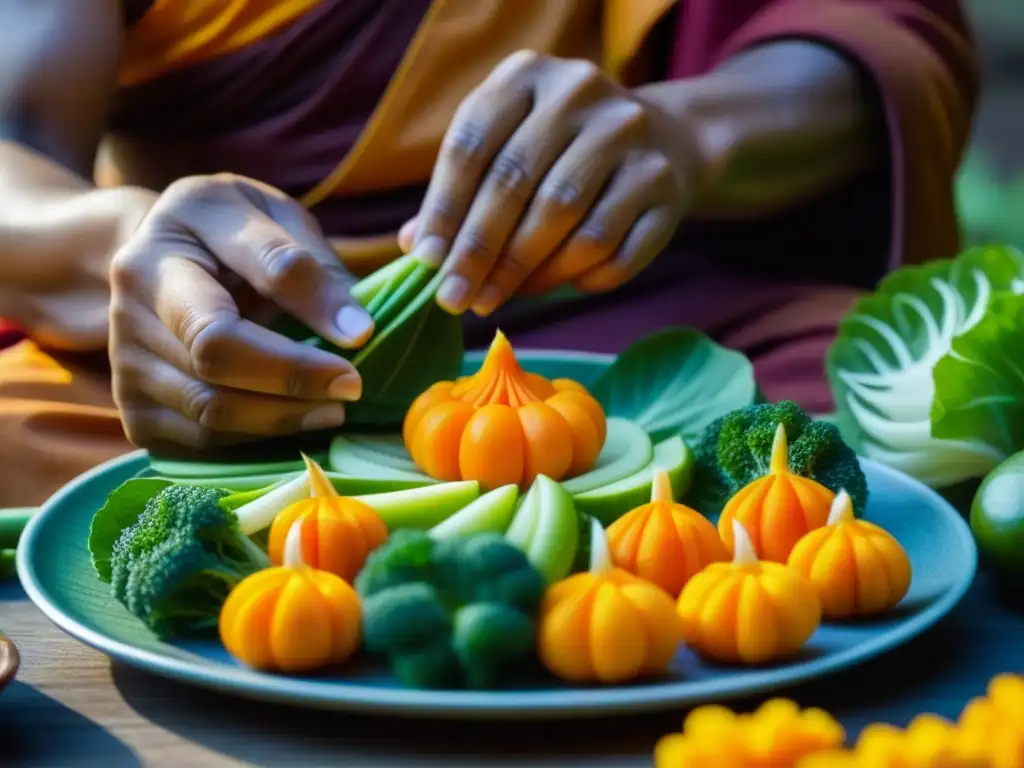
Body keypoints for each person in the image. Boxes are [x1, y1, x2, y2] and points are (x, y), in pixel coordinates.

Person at [0, 0, 976, 507]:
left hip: (628, 292)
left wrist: (685, 134)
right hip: (265, 343)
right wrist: (136, 249)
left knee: (917, 408)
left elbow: (878, 37)